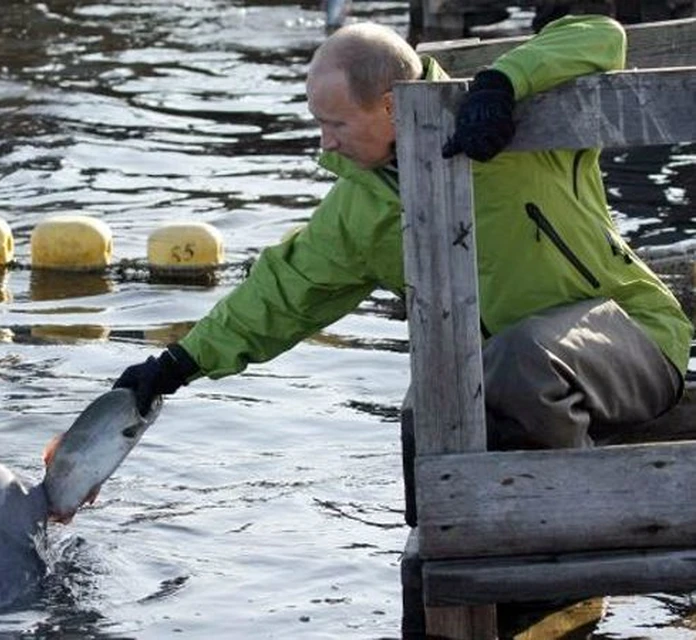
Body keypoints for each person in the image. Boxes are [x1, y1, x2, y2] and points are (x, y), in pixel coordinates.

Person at [113, 14, 692, 523]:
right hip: (509, 381)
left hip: (633, 340)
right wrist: (176, 365)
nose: (325, 143)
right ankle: (451, 557)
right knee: (425, 408)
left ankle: (577, 523)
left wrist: (502, 84)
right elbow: (281, 294)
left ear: (390, 103)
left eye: (335, 124)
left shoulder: (513, 120)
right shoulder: (359, 209)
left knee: (522, 360)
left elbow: (599, 36)